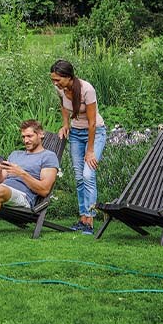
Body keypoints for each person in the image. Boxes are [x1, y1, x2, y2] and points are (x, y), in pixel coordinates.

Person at [50, 59, 107, 235]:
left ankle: (90, 220)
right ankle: (83, 218)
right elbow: (63, 106)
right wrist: (65, 124)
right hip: (75, 133)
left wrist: (90, 151)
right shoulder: (60, 88)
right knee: (79, 177)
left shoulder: (87, 90)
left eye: (58, 79)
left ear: (68, 77)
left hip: (94, 133)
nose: (55, 83)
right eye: (53, 79)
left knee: (88, 174)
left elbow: (91, 123)